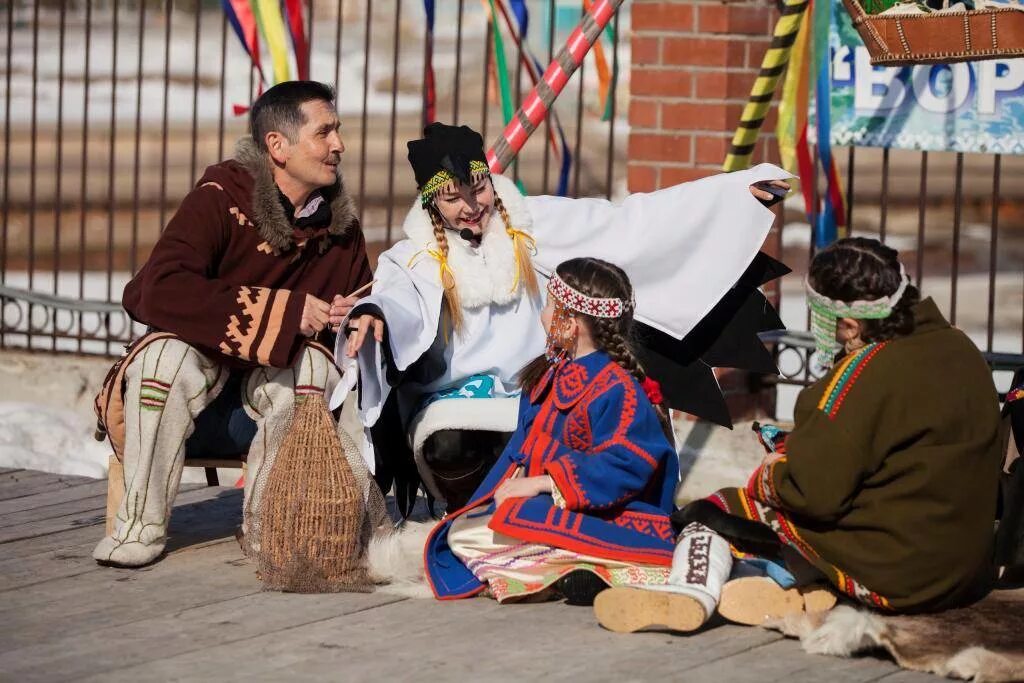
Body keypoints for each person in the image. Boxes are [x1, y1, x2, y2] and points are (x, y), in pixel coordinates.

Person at [333, 122, 791, 514]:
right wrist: (374, 312)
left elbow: (630, 224)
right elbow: (396, 298)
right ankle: (479, 512)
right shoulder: (414, 257)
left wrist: (732, 193)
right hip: (455, 403)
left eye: (478, 188)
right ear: (433, 204)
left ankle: (567, 504)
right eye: (452, 198)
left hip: (543, 384)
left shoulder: (535, 223)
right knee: (451, 447)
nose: (471, 206)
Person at [593, 237, 1004, 632]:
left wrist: (774, 472)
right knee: (803, 526)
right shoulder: (960, 347)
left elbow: (815, 495)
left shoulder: (857, 379)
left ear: (848, 326)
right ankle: (800, 592)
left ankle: (688, 595)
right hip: (964, 565)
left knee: (715, 512)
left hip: (901, 576)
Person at [92, 81, 375, 568]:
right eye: (324, 132)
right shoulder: (219, 198)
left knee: (313, 366)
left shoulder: (340, 228)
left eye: (338, 131)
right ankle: (140, 525)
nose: (339, 145)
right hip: (191, 414)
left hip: (275, 412)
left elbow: (362, 302)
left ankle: (274, 527)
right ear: (277, 146)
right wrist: (285, 312)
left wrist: (362, 315)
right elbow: (152, 289)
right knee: (163, 355)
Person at [425, 257, 679, 605]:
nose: (543, 314)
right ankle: (565, 568)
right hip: (551, 503)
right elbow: (522, 448)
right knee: (463, 533)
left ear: (570, 324)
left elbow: (626, 464)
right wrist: (490, 498)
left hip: (602, 511)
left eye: (548, 305)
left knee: (473, 539)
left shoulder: (617, 388)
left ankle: (583, 569)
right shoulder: (551, 372)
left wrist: (543, 482)